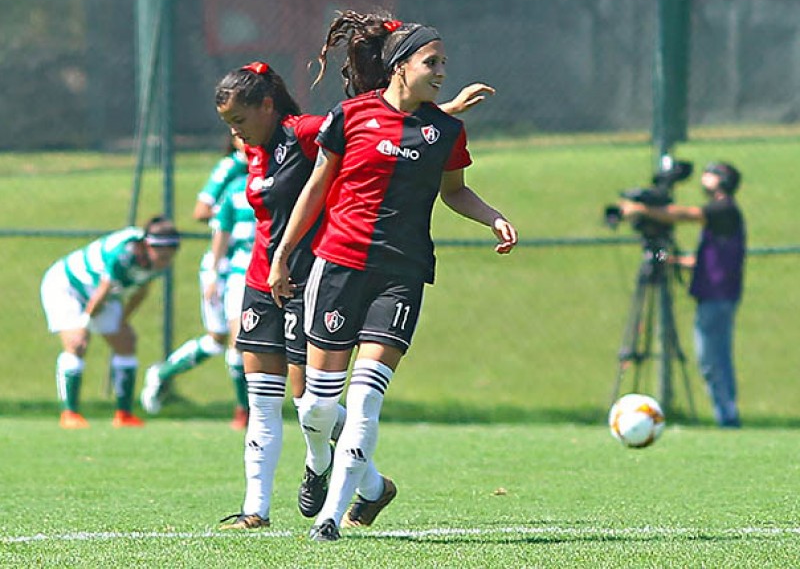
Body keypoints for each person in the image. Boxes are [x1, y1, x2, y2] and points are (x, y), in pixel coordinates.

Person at [213, 60, 497, 530]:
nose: (236, 134)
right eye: (229, 126)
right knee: (262, 399)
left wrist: (442, 110)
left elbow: (373, 128)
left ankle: (340, 475)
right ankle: (256, 510)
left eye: (240, 122)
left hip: (313, 280)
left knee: (312, 407)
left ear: (266, 105)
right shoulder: (254, 151)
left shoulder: (302, 131)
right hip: (263, 279)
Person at [268, 10, 519, 542]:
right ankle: (322, 464)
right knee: (316, 406)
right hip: (337, 267)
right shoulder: (351, 116)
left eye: (445, 62)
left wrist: (493, 215)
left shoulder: (445, 130)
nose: (443, 70)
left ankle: (331, 517)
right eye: (433, 61)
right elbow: (316, 188)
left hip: (400, 276)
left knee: (364, 399)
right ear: (401, 66)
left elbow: (454, 192)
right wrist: (284, 253)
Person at [620, 161, 745, 428]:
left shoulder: (725, 209)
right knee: (712, 360)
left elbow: (686, 214)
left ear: (723, 181)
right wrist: (674, 261)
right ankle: (726, 416)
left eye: (711, 174)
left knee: (713, 360)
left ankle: (728, 419)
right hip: (715, 295)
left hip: (718, 296)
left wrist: (645, 210)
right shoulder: (723, 214)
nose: (704, 178)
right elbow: (709, 260)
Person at [140, 137, 251, 429]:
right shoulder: (232, 168)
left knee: (228, 339)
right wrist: (235, 216)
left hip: (247, 263)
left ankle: (244, 410)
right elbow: (201, 210)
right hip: (225, 263)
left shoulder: (271, 162)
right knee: (222, 340)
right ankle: (164, 375)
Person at [40, 215, 181, 428]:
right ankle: (69, 414)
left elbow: (141, 292)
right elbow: (104, 289)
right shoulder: (123, 253)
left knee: (126, 342)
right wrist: (84, 324)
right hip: (67, 286)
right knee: (76, 344)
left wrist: (123, 320)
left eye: (170, 255)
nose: (165, 260)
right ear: (147, 245)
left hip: (101, 294)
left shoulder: (157, 263)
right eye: (161, 253)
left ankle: (123, 414)